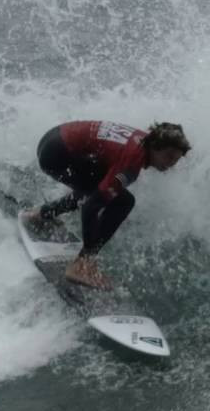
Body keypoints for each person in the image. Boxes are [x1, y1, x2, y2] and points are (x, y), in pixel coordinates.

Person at [22, 120, 191, 289]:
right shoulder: (131, 164)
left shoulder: (143, 139)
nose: (171, 164)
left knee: (95, 188)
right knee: (123, 202)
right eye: (169, 156)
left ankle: (41, 214)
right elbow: (90, 208)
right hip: (57, 155)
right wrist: (88, 253)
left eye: (175, 160)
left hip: (53, 139)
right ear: (156, 146)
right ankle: (81, 265)